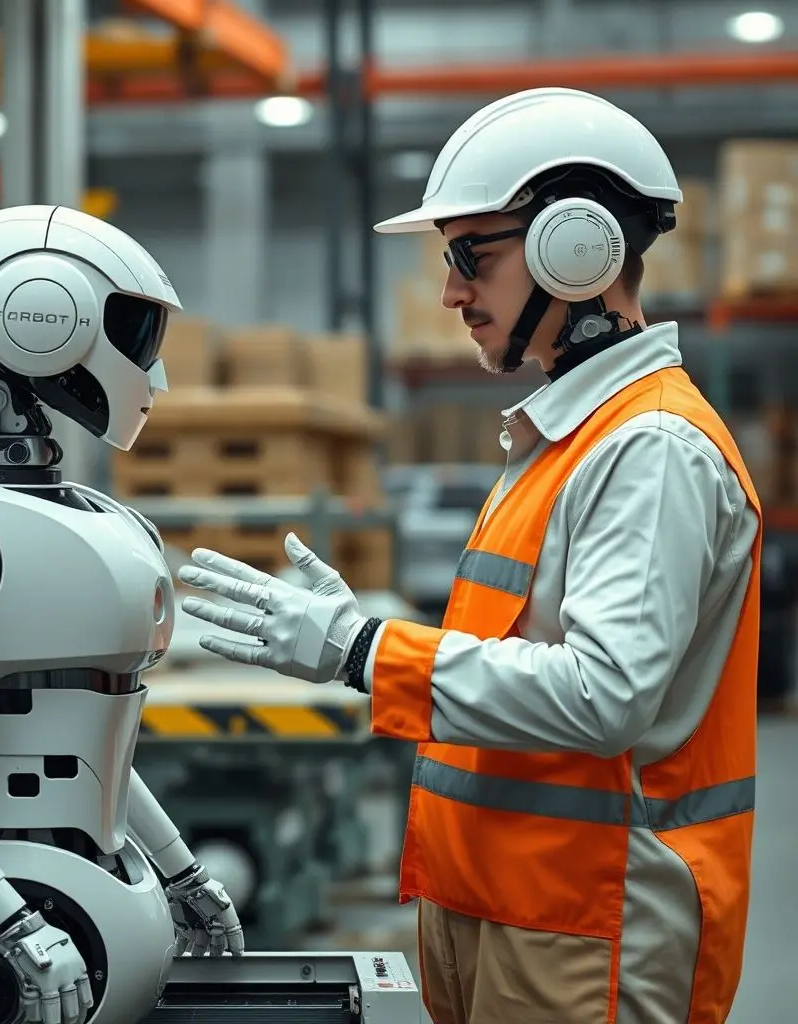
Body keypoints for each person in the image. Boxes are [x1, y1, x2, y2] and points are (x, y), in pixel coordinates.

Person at [177, 87, 761, 1024]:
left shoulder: (650, 448)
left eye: (469, 257)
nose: (451, 292)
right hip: (503, 903)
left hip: (586, 923)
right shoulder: (564, 438)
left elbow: (604, 694)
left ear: (576, 249)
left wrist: (364, 649)